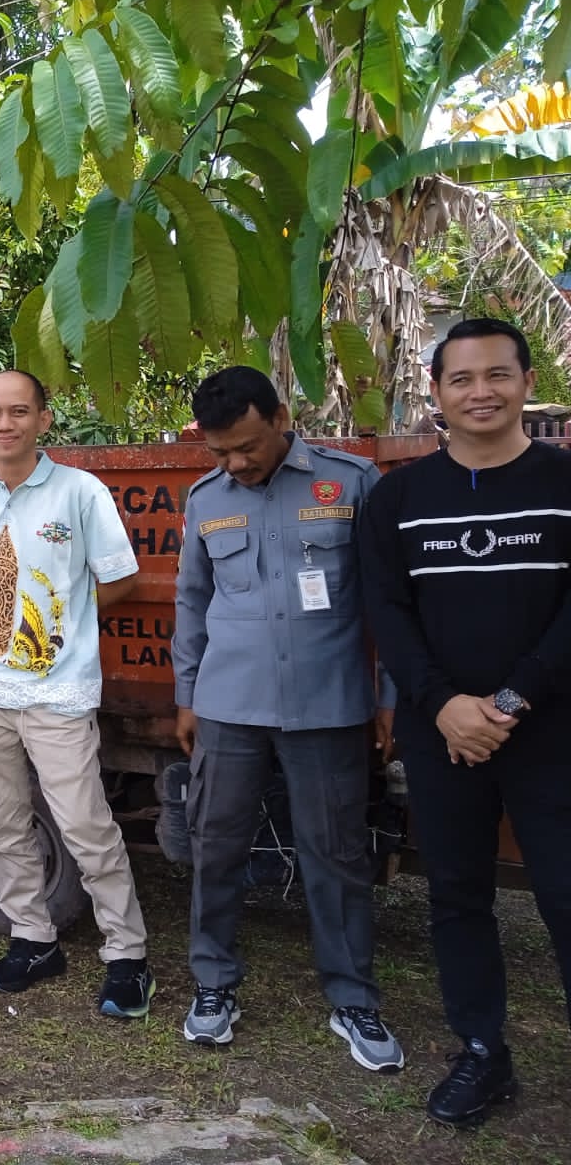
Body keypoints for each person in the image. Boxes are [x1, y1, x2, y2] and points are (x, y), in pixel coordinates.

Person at [360, 317, 571, 1127]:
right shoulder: (400, 498)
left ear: (527, 382)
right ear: (438, 393)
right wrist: (443, 703)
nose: (480, 392)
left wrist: (511, 701)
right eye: (462, 379)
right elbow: (387, 610)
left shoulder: (563, 482)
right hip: (440, 732)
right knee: (456, 894)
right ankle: (482, 1052)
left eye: (497, 375)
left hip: (552, 734)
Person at [171, 366, 403, 1071]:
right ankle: (214, 985)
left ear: (280, 418)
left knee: (336, 853)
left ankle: (352, 998)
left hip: (326, 705)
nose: (236, 464)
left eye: (247, 446)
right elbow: (192, 601)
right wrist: (187, 695)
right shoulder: (206, 500)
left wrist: (389, 696)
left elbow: (390, 601)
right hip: (228, 706)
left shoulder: (350, 484)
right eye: (220, 453)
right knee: (216, 846)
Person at [0, 371, 154, 1017]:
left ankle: (127, 954)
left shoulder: (79, 493)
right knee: (1, 822)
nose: (5, 425)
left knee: (85, 825)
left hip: (59, 691)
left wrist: (64, 622)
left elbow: (120, 579)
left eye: (19, 412)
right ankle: (33, 939)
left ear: (43, 420)